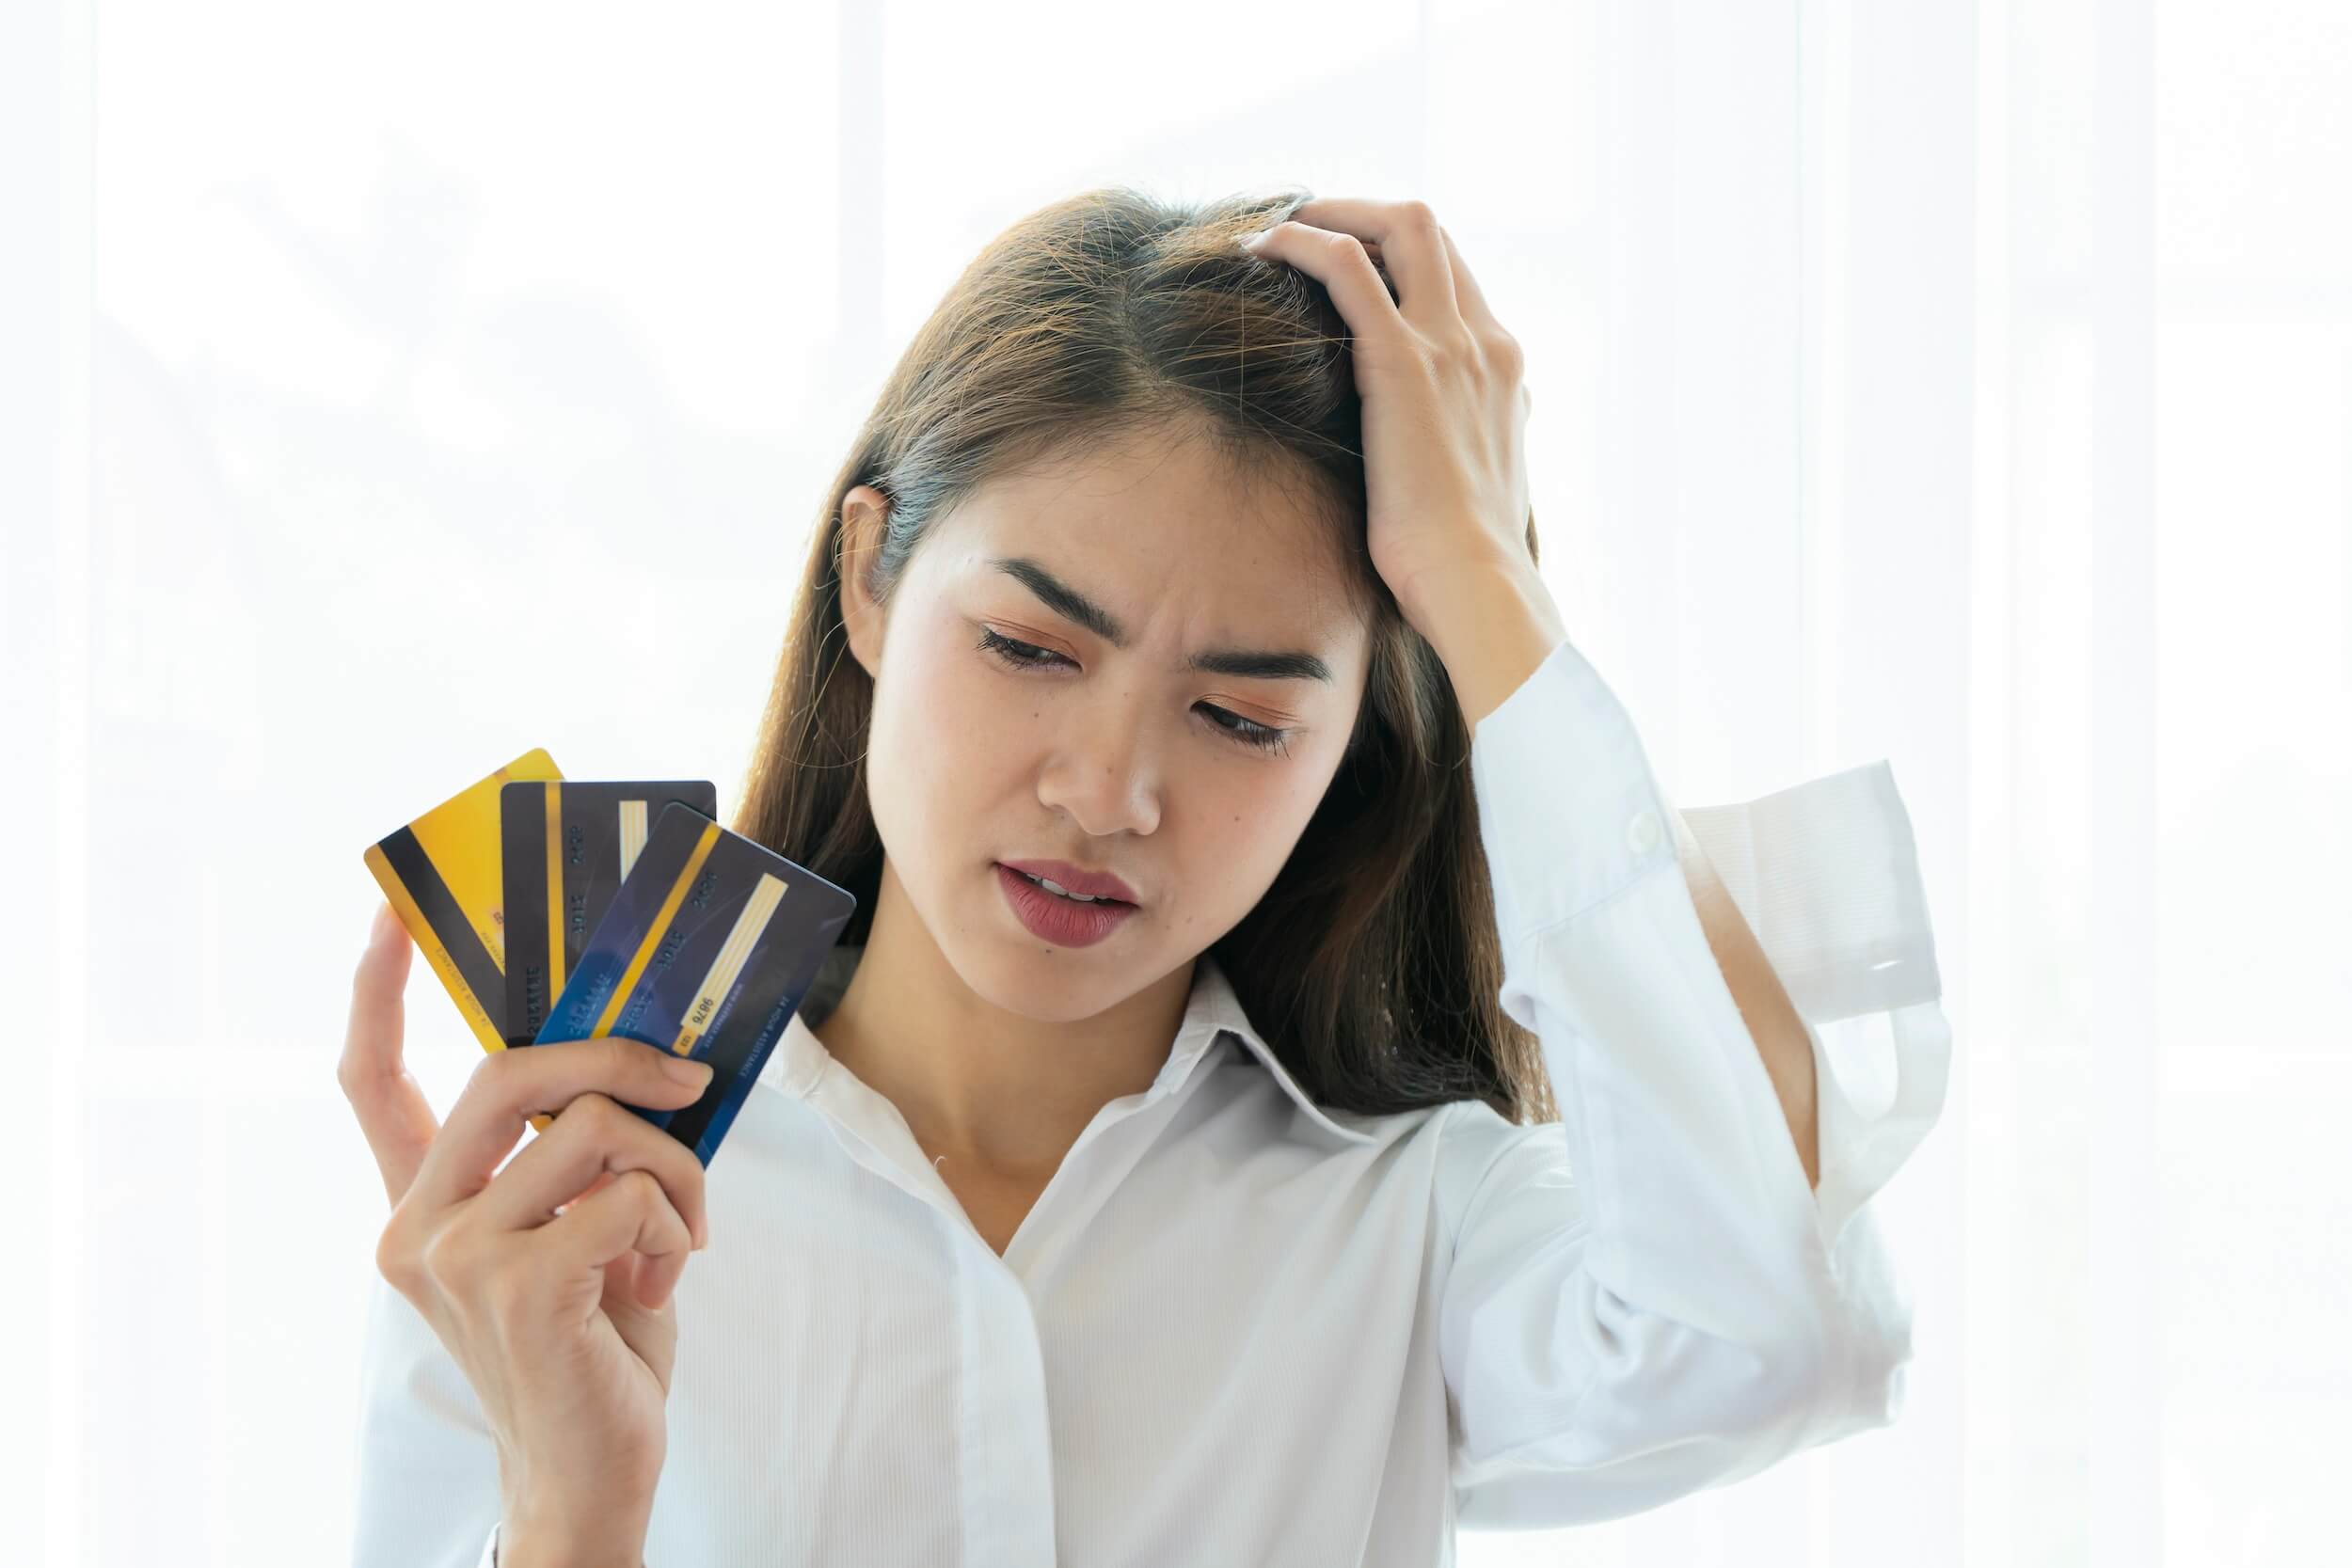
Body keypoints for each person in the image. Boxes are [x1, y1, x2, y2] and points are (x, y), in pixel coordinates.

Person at [338, 188, 1951, 1568]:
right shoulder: (551, 1231)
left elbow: (1776, 1340)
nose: (1108, 792)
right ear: (870, 584)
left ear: (1352, 758)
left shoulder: (1417, 1224)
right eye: (1031, 646)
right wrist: (570, 1513)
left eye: (1243, 716)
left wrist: (1489, 594)